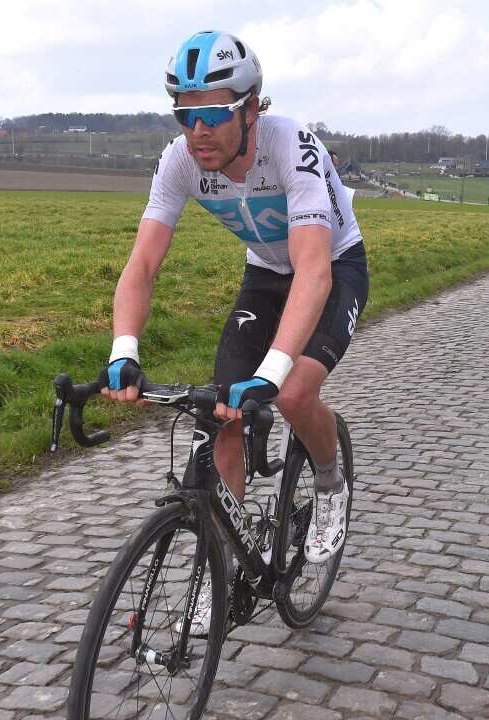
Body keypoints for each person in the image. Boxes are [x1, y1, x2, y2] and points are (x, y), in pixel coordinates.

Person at [100, 30, 369, 630]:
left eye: (215, 113)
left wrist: (272, 374)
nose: (199, 132)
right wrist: (123, 350)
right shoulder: (179, 162)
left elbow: (314, 272)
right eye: (185, 115)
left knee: (295, 390)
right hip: (265, 275)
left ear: (251, 108)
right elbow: (141, 264)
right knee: (222, 411)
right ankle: (219, 570)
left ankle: (329, 484)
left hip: (331, 267)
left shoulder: (292, 146)